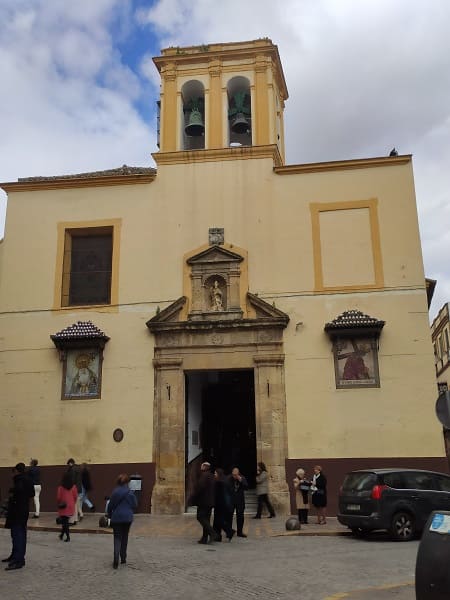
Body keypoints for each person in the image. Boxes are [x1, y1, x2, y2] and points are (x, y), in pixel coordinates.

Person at [3, 462, 35, 570]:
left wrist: (13, 494)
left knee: (18, 535)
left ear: (16, 471)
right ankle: (15, 556)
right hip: (24, 510)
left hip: (17, 511)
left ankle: (18, 560)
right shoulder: (29, 479)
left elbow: (18, 493)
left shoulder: (19, 480)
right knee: (19, 534)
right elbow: (32, 494)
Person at [107, 474, 137, 569]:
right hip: (127, 518)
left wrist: (110, 515)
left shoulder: (115, 492)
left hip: (117, 518)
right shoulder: (130, 493)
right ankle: (123, 558)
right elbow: (135, 505)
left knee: (117, 537)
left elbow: (110, 506)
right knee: (125, 537)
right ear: (127, 482)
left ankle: (116, 559)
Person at [188, 462, 220, 544]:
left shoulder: (204, 475)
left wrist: (193, 497)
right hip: (210, 501)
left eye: (202, 465)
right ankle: (204, 538)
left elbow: (200, 487)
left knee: (200, 517)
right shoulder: (211, 476)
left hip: (203, 501)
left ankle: (212, 533)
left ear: (205, 467)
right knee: (206, 519)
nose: (200, 467)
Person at [213, 468, 234, 541]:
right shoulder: (225, 481)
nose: (214, 474)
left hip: (220, 504)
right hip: (223, 504)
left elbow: (222, 495)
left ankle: (229, 531)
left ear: (218, 474)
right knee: (217, 521)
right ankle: (218, 536)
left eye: (215, 473)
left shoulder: (220, 482)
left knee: (218, 520)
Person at [56, 471, 78, 542]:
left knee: (65, 522)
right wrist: (72, 503)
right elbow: (75, 496)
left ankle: (68, 537)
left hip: (63, 506)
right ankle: (62, 535)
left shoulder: (61, 487)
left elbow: (58, 498)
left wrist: (59, 502)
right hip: (71, 506)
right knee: (65, 521)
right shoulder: (74, 486)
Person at [228, 466, 248, 537]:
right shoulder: (229, 478)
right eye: (233, 475)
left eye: (235, 475)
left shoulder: (242, 477)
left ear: (238, 474)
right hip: (231, 501)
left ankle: (240, 532)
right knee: (229, 516)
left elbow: (246, 487)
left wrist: (241, 480)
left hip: (240, 501)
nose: (234, 476)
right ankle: (229, 531)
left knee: (240, 517)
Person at [66, 458, 82, 524]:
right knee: (76, 504)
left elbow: (72, 480)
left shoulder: (72, 469)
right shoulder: (78, 468)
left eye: (68, 464)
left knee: (73, 504)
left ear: (70, 463)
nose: (68, 465)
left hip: (73, 488)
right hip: (78, 488)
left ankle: (73, 520)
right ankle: (77, 518)